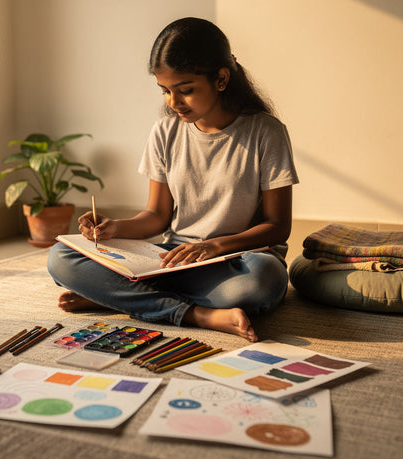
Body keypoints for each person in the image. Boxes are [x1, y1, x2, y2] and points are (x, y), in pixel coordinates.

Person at [48, 17, 299, 342]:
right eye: (165, 91)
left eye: (186, 91)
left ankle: (118, 296)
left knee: (263, 282)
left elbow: (278, 225)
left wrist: (215, 245)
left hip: (236, 261)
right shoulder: (165, 131)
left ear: (221, 78)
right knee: (62, 258)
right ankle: (197, 314)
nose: (173, 102)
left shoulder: (267, 132)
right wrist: (114, 227)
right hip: (174, 258)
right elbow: (156, 217)